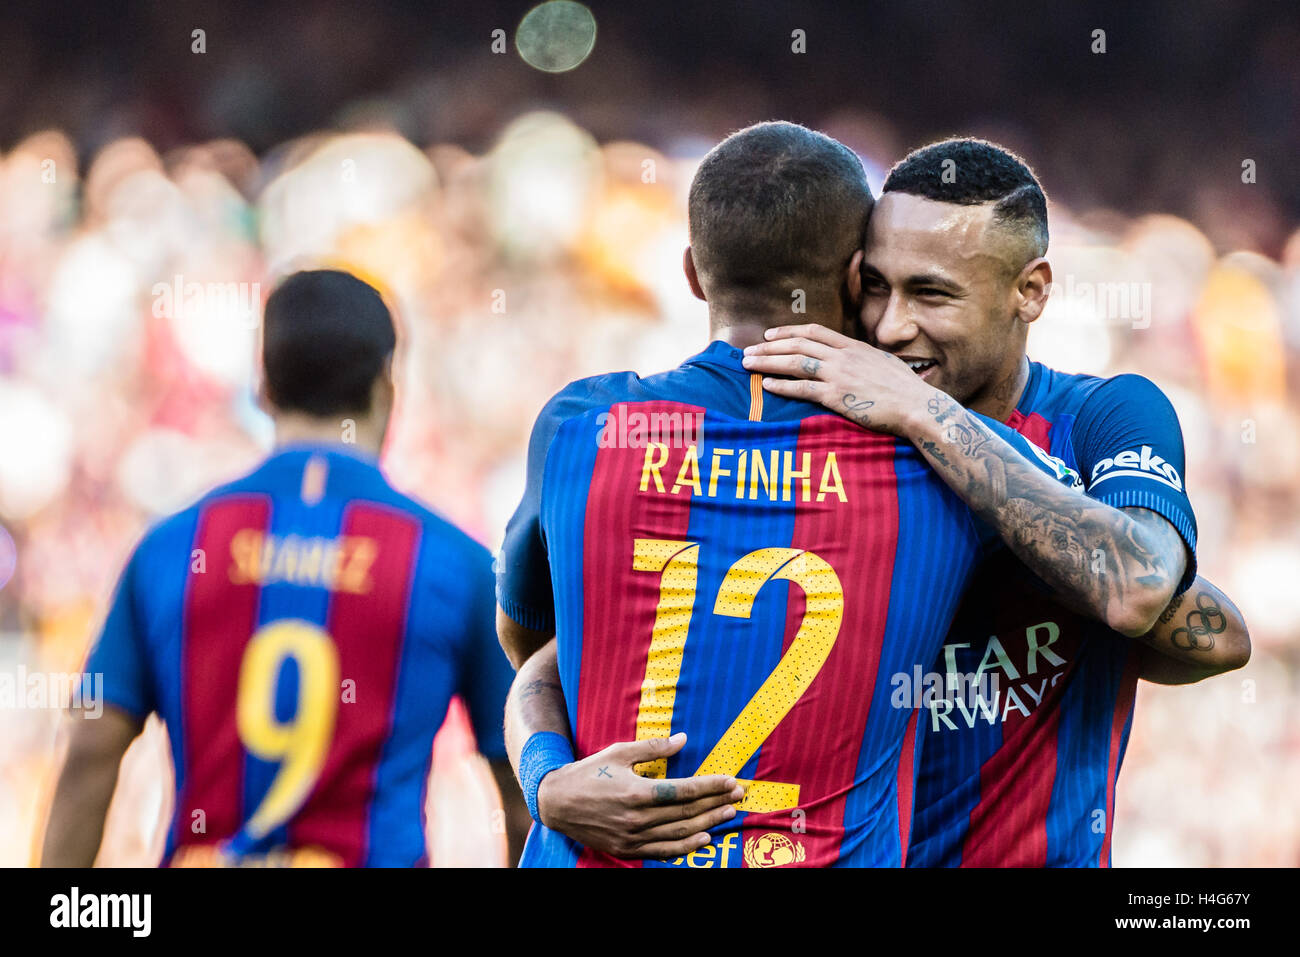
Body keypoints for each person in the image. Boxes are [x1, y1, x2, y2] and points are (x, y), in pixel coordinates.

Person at [512, 137, 1249, 867]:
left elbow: (1170, 604)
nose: (891, 327)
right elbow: (549, 660)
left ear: (1030, 291)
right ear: (850, 274)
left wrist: (928, 416)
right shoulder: (855, 458)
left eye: (930, 293)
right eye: (877, 289)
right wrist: (546, 778)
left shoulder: (1096, 420)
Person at [41, 269, 528, 867]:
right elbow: (521, 785)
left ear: (264, 387)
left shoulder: (172, 545)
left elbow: (92, 745)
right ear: (386, 385)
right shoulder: (452, 562)